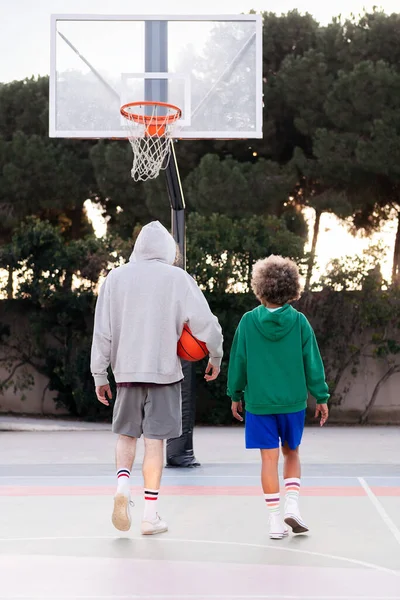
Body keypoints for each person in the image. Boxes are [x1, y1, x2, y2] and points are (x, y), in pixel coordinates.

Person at [91, 221, 223, 535]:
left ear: (137, 246)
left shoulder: (115, 278)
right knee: (155, 444)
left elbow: (103, 331)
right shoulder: (177, 278)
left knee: (126, 437)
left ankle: (123, 487)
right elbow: (206, 323)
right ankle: (150, 516)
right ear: (167, 250)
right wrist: (215, 354)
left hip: (126, 373)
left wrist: (99, 373)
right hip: (164, 373)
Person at [227, 255, 329, 540]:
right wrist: (321, 396)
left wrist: (235, 394)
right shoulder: (299, 322)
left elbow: (239, 362)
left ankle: (274, 521)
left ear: (260, 286)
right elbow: (313, 362)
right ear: (291, 288)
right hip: (293, 402)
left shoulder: (248, 322)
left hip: (259, 403)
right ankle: (292, 506)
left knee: (268, 460)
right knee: (292, 452)